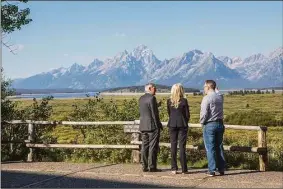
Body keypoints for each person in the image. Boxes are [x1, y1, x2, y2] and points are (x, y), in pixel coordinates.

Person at [200, 80, 226, 177]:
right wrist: (217, 91)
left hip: (210, 124)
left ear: (208, 87)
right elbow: (219, 93)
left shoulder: (206, 98)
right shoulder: (220, 97)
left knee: (210, 148)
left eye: (204, 86)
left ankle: (211, 170)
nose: (203, 88)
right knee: (219, 146)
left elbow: (204, 113)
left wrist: (202, 123)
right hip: (220, 124)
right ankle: (221, 168)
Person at [139, 83, 163, 172]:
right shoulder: (152, 98)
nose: (156, 89)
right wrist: (158, 125)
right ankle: (152, 166)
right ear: (150, 88)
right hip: (152, 126)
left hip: (143, 126)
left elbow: (147, 110)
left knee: (144, 146)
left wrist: (157, 105)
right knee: (152, 147)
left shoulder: (141, 98)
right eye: (154, 88)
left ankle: (144, 166)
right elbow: (154, 114)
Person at [167, 83, 190, 174]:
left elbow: (169, 113)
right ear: (181, 90)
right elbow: (187, 115)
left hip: (172, 124)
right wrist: (185, 121)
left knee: (173, 146)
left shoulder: (169, 101)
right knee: (182, 146)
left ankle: (173, 168)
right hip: (182, 124)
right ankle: (184, 168)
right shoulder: (184, 101)